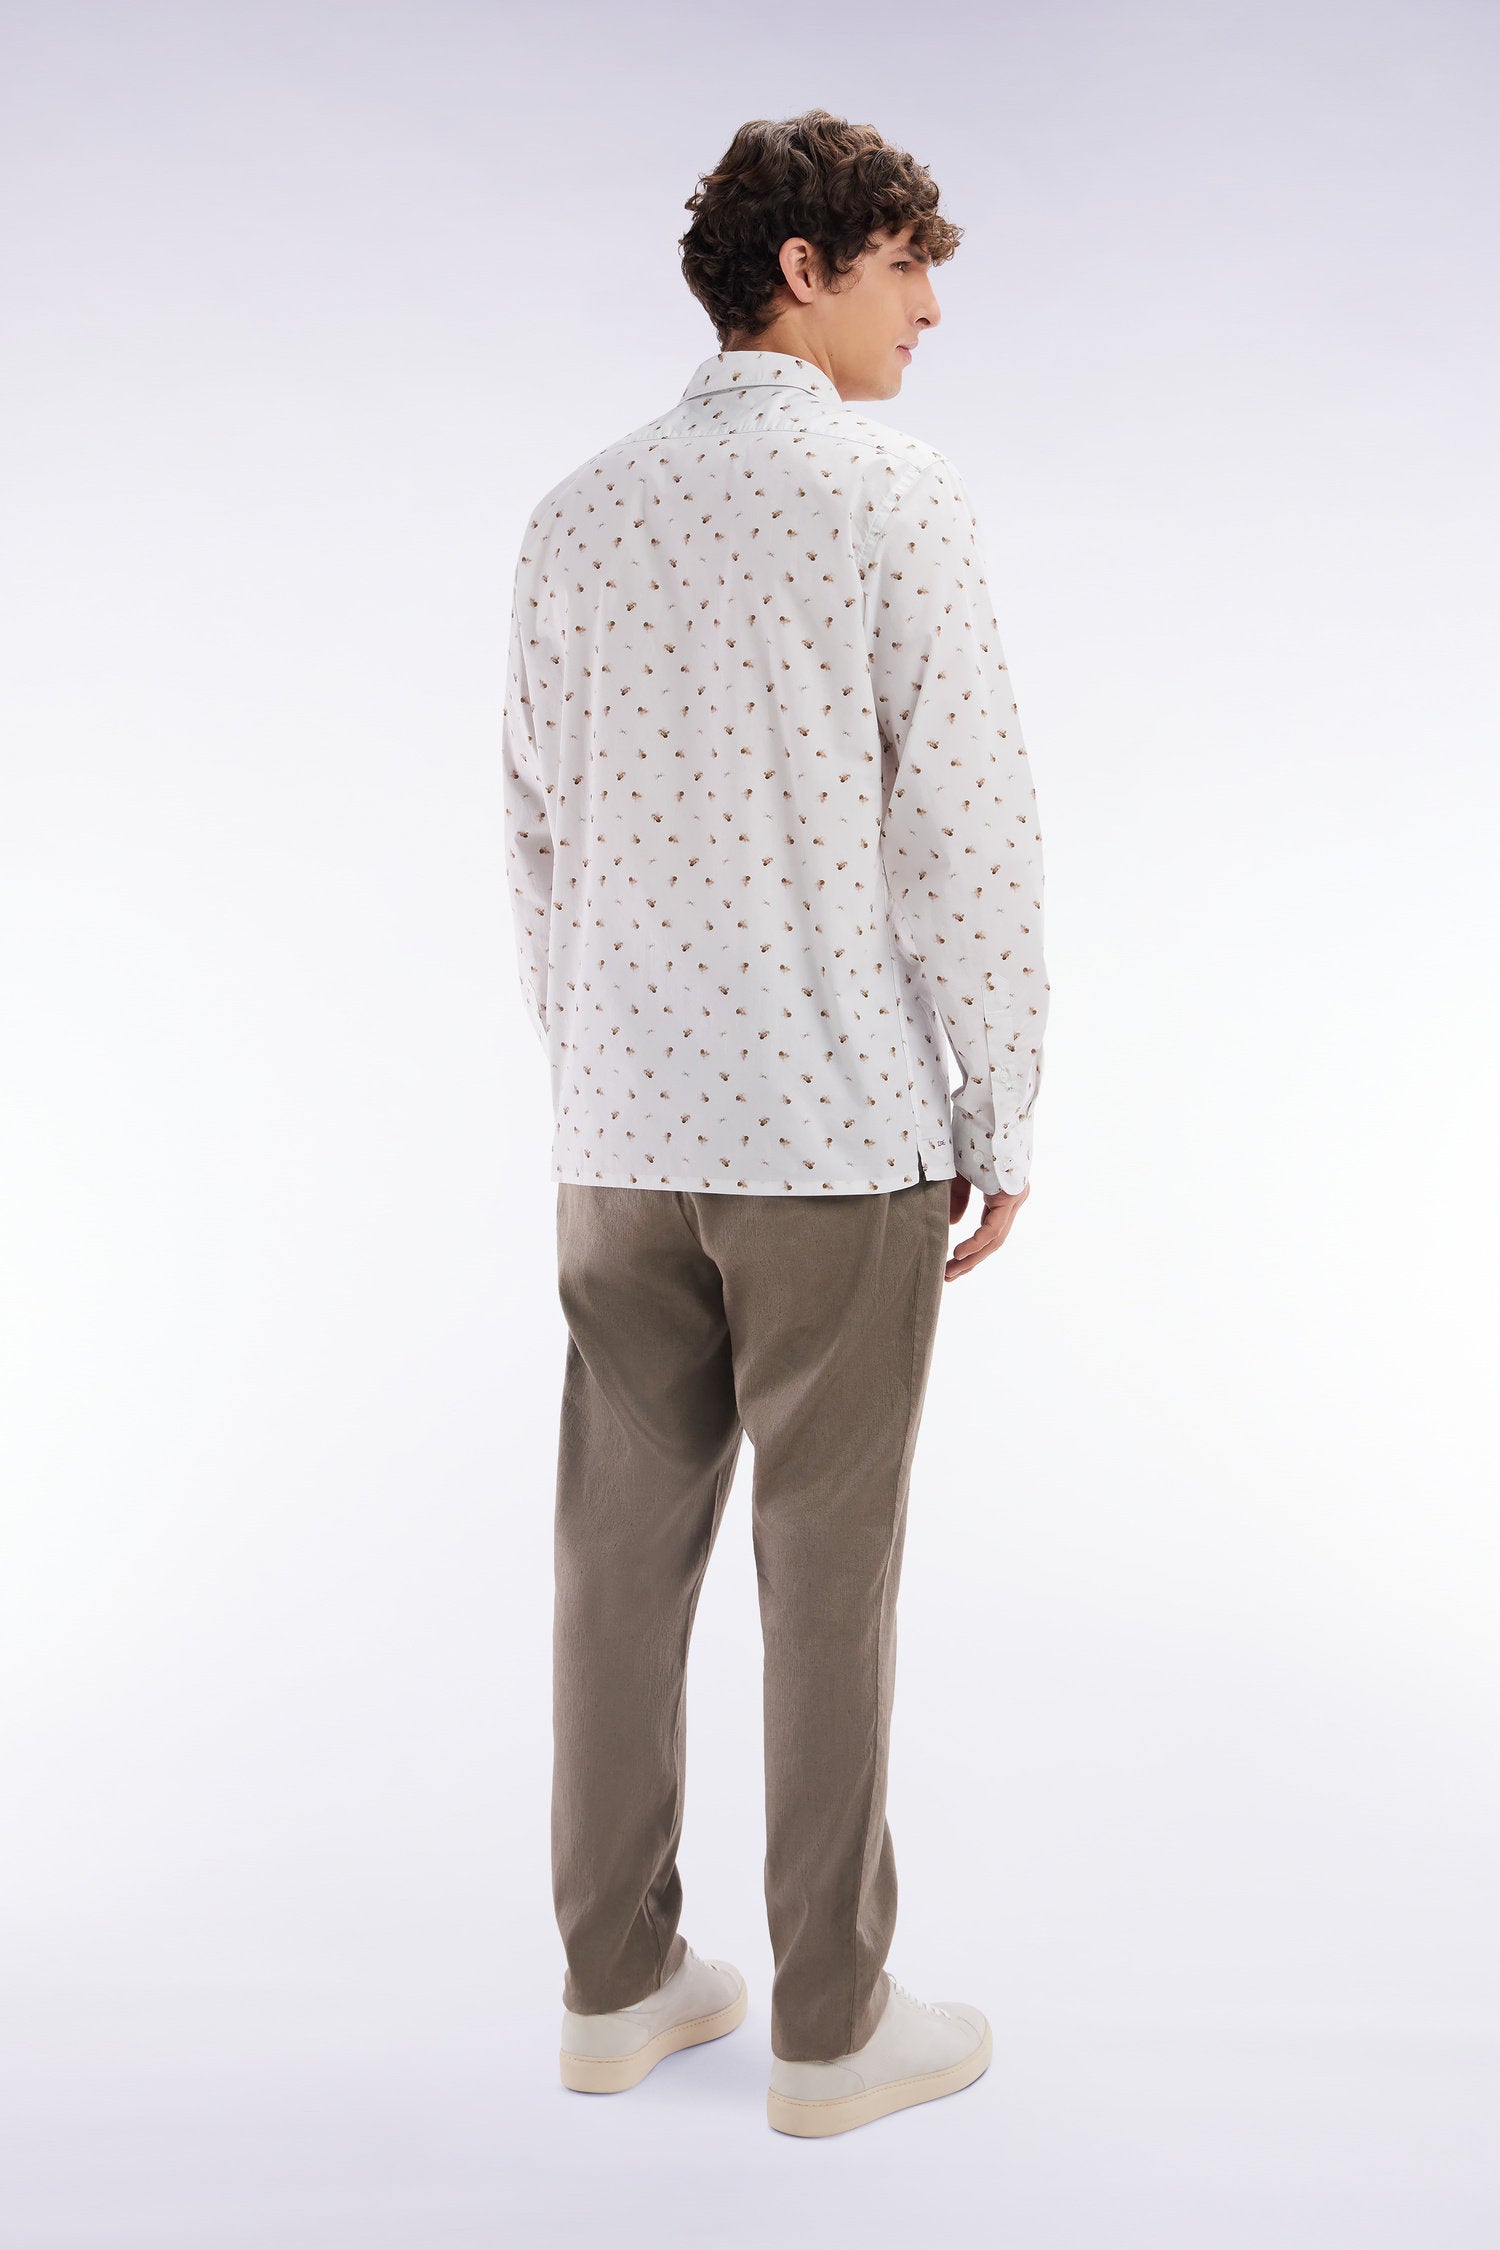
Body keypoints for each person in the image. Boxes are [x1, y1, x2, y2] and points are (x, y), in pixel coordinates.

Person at [501, 108, 1048, 2138]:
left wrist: (593, 1066)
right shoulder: (894, 498)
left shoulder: (577, 515)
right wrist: (1001, 1102)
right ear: (800, 270)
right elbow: (970, 827)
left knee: (613, 1563)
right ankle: (829, 2021)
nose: (931, 309)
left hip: (620, 1140)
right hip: (832, 1141)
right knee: (829, 1575)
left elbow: (533, 830)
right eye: (907, 263)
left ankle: (612, 1984)